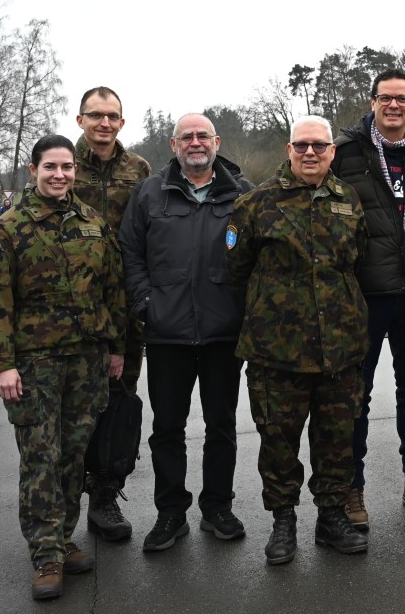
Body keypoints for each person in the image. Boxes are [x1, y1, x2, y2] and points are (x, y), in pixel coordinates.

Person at [0, 134, 125, 601]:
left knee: (73, 454)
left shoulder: (93, 223)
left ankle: (64, 537)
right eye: (50, 167)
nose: (59, 175)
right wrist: (4, 365)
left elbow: (112, 290)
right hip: (34, 363)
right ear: (33, 170)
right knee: (40, 455)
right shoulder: (8, 229)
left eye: (66, 167)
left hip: (86, 358)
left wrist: (115, 348)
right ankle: (45, 555)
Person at [229, 115, 370, 565]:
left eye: (320, 146)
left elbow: (358, 260)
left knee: (336, 440)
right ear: (288, 150)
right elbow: (235, 269)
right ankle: (283, 521)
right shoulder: (255, 205)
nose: (311, 153)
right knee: (278, 441)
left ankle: (331, 518)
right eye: (302, 145)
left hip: (339, 349)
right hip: (278, 352)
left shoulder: (348, 200)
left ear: (332, 152)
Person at [120, 113, 253, 553]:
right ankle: (170, 513)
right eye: (186, 137)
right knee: (167, 429)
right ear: (174, 145)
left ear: (216, 142)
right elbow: (130, 253)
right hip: (166, 335)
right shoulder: (149, 194)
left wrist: (244, 310)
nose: (195, 143)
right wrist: (146, 305)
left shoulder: (243, 194)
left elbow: (258, 259)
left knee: (222, 426)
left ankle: (218, 507)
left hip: (222, 335)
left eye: (203, 136)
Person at [332, 69, 405, 528]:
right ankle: (350, 488)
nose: (394, 106)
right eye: (386, 98)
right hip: (364, 294)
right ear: (373, 101)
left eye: (401, 98)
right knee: (354, 395)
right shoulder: (346, 153)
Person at [72, 86, 152, 542]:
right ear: (80, 119)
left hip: (124, 309)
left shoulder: (137, 169)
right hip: (72, 308)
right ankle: (66, 497)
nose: (104, 123)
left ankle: (105, 495)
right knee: (75, 406)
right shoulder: (63, 163)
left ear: (122, 122)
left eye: (112, 116)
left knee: (118, 404)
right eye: (96, 115)